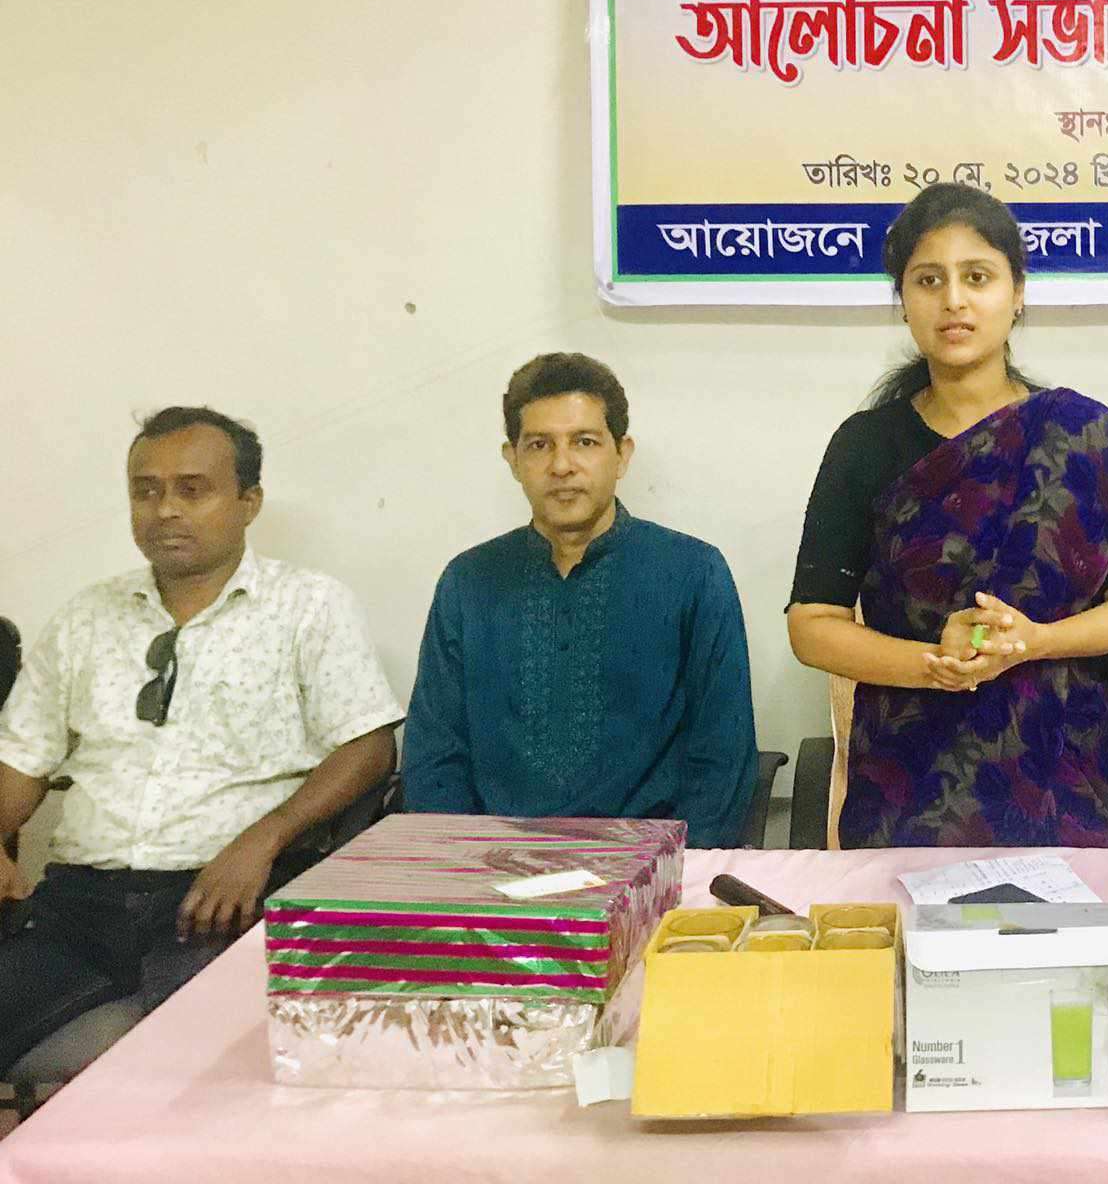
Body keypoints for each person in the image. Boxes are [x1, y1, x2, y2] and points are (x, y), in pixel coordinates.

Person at [0, 407, 402, 1091]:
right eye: (146, 490)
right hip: (78, 907)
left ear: (249, 501)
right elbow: (20, 758)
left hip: (225, 902)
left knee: (200, 1078)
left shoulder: (308, 607)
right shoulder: (86, 617)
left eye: (192, 490)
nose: (165, 510)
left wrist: (262, 840)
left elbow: (367, 748)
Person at [786, 184, 1108, 848]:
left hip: (1071, 783)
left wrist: (1033, 641)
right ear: (903, 301)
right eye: (928, 280)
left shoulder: (1088, 438)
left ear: (1017, 292)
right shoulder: (865, 446)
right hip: (910, 788)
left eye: (977, 277)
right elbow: (812, 626)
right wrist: (934, 664)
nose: (953, 300)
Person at [402, 353, 758, 845]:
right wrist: (467, 863)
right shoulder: (468, 582)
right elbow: (434, 758)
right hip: (494, 865)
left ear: (622, 454)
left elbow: (723, 757)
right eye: (539, 445)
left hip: (653, 863)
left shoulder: (693, 572)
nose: (562, 465)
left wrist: (669, 868)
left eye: (584, 442)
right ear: (513, 460)